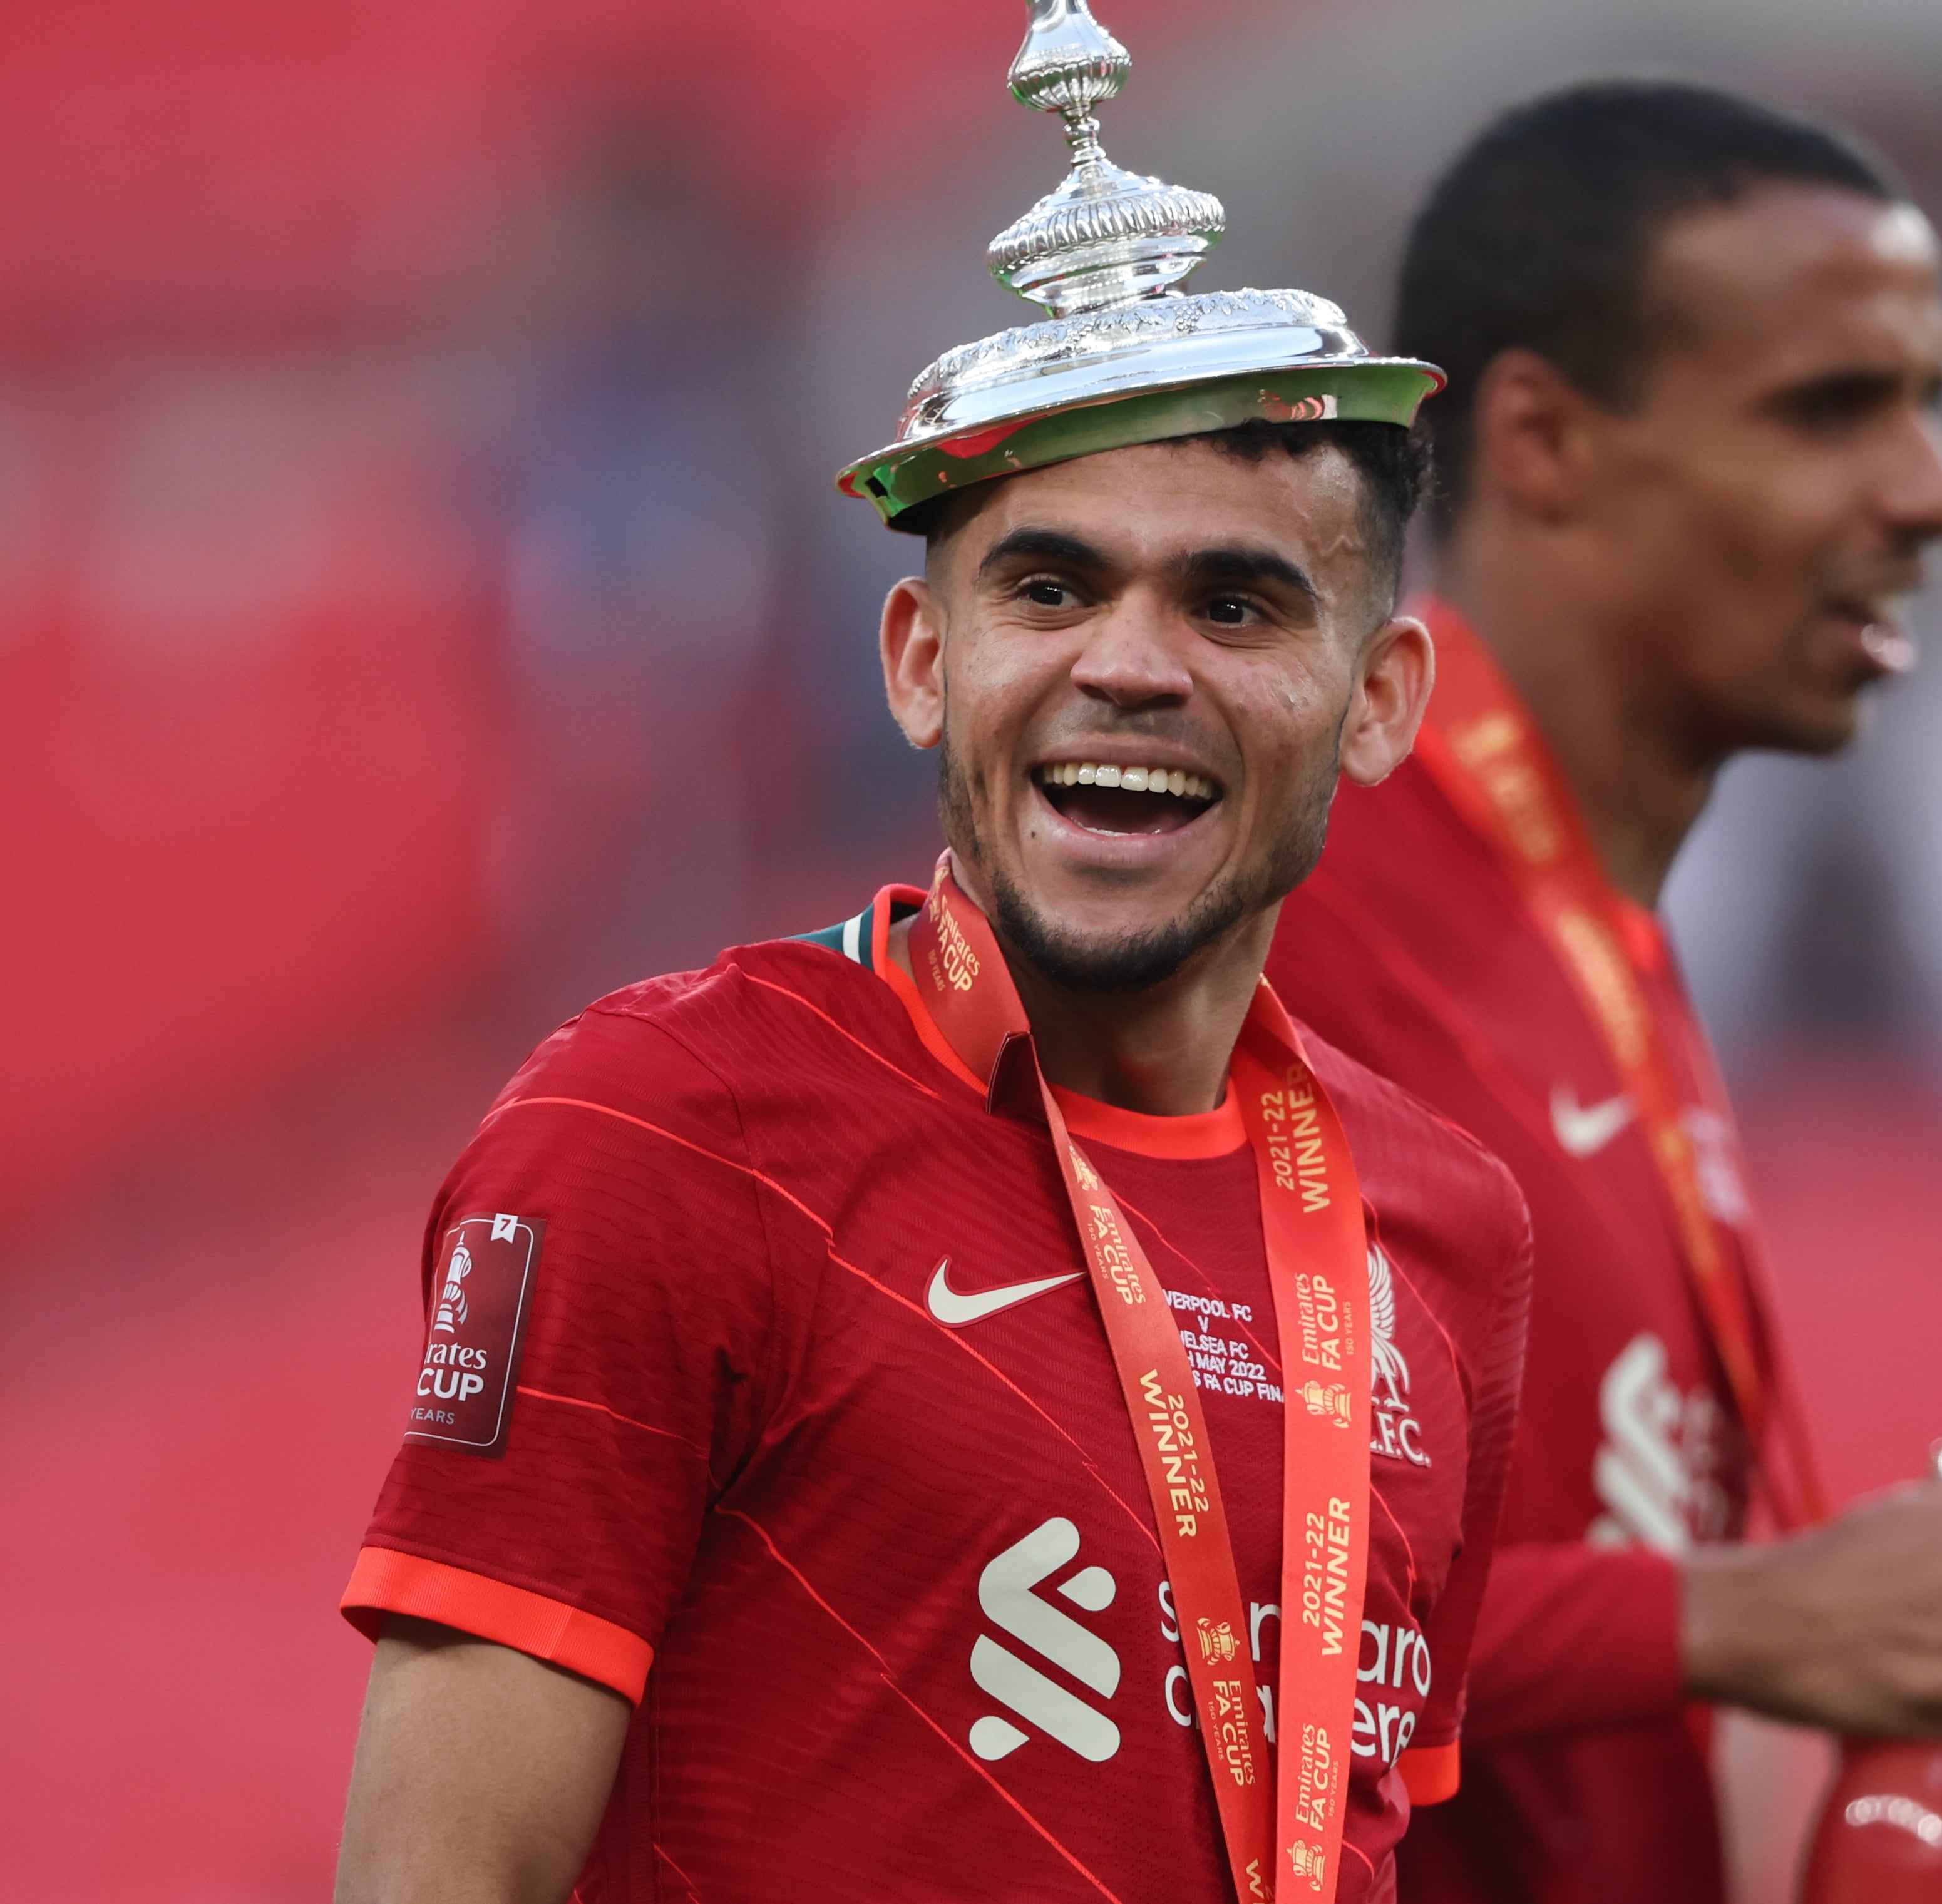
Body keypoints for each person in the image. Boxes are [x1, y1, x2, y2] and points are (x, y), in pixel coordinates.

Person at [331, 14, 1529, 1901]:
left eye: (1234, 598)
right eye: (1047, 586)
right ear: (916, 664)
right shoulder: (661, 1131)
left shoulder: (1448, 1232)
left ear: (1379, 701)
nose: (1128, 663)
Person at [1263, 81, 1942, 1904]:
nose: (1928, 495)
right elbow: (1138, 1573)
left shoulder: (1605, 945)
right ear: (1546, 441)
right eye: (1827, 411)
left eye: (1924, 412)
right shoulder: (1296, 899)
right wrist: (1732, 1617)